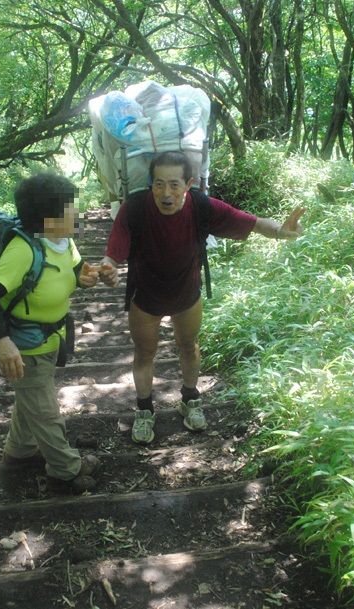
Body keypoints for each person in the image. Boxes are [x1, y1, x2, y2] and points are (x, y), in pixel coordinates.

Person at [99, 151, 304, 445]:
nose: (165, 193)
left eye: (173, 185)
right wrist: (108, 266)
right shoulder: (135, 209)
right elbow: (114, 249)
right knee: (144, 353)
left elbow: (254, 222)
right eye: (158, 184)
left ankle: (190, 399)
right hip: (146, 295)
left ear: (188, 184)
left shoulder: (201, 206)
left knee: (188, 346)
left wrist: (280, 232)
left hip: (186, 293)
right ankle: (144, 410)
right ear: (150, 185)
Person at [0, 173, 117, 492]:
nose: (76, 214)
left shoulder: (63, 240)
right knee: (46, 410)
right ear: (49, 220)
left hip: (50, 339)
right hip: (25, 347)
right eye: (70, 209)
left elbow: (75, 268)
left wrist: (90, 276)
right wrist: (2, 342)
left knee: (33, 400)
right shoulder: (23, 251)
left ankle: (19, 453)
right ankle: (65, 470)